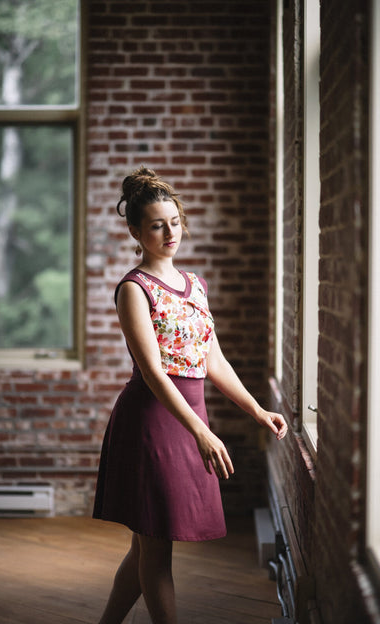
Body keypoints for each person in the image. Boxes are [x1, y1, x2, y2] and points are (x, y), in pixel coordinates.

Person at [92, 166, 288, 624]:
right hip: (151, 422)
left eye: (174, 221)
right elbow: (155, 374)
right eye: (157, 225)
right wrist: (201, 431)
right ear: (136, 231)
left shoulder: (195, 284)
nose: (169, 232)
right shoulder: (133, 289)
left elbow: (212, 361)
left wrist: (258, 410)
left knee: (147, 544)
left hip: (188, 416)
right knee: (156, 549)